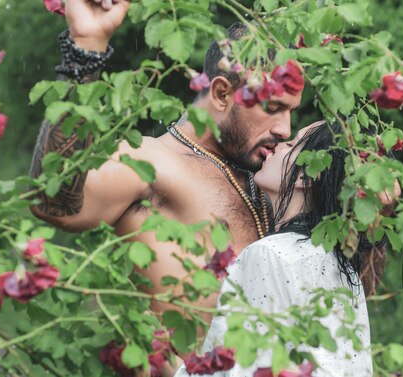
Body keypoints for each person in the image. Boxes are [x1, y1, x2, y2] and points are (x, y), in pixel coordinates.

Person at [29, 0, 302, 318]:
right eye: (272, 108)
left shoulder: (268, 178)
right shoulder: (150, 161)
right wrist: (84, 49)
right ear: (222, 94)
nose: (285, 129)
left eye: (291, 112)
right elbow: (53, 203)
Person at [174, 120, 382, 376]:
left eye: (292, 144)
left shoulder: (270, 255)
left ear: (306, 177)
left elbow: (239, 368)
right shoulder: (344, 270)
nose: (281, 143)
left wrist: (167, 365)